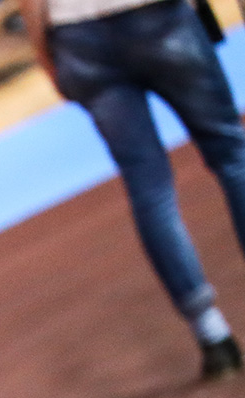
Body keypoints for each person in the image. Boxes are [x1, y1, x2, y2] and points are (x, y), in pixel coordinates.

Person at [21, 0, 245, 378]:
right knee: (232, 156)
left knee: (148, 186)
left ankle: (211, 334)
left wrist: (46, 57)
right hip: (157, 15)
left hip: (76, 35)